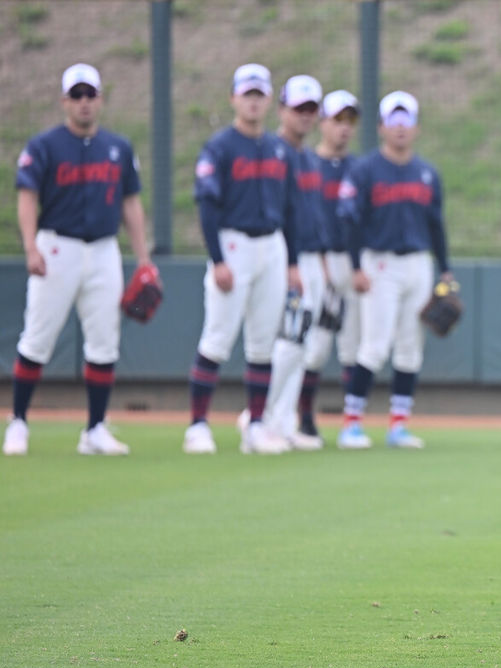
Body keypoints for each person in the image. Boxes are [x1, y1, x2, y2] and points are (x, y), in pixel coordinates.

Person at [3, 63, 153, 456]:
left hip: (104, 249)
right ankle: (18, 421)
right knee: (38, 338)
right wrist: (31, 247)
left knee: (104, 343)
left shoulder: (117, 147)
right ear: (64, 101)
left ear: (101, 99)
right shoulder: (44, 146)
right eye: (77, 95)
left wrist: (143, 258)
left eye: (91, 95)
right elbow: (27, 197)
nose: (85, 103)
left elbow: (131, 203)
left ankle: (96, 429)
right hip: (57, 247)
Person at [184, 63, 300, 455]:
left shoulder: (279, 149)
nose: (252, 101)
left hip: (272, 244)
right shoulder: (220, 147)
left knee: (263, 343)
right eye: (246, 94)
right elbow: (206, 205)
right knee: (217, 337)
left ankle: (256, 425)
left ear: (268, 100)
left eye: (259, 94)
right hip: (233, 244)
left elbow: (292, 210)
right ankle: (197, 425)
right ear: (234, 98)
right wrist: (217, 258)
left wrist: (292, 262)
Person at [336, 90, 453, 449]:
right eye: (394, 121)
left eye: (407, 121)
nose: (401, 128)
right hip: (379, 263)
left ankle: (398, 426)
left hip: (418, 263)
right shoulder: (366, 169)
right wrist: (356, 266)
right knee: (374, 345)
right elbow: (351, 223)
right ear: (382, 127)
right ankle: (351, 424)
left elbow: (436, 226)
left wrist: (445, 270)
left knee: (409, 347)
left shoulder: (427, 173)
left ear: (416, 128)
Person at [255, 74, 332, 451]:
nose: (304, 116)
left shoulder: (307, 158)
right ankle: (259, 416)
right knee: (289, 339)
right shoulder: (274, 152)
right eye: (298, 108)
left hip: (313, 259)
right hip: (288, 259)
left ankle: (283, 421)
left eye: (311, 110)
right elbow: (277, 213)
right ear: (282, 109)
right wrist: (289, 263)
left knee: (303, 344)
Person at [308, 89, 362, 436]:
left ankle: (350, 422)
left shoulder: (359, 168)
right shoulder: (307, 163)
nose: (343, 128)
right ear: (322, 122)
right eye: (336, 120)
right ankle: (300, 417)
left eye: (350, 121)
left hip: (352, 262)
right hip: (314, 260)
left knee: (352, 345)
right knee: (313, 347)